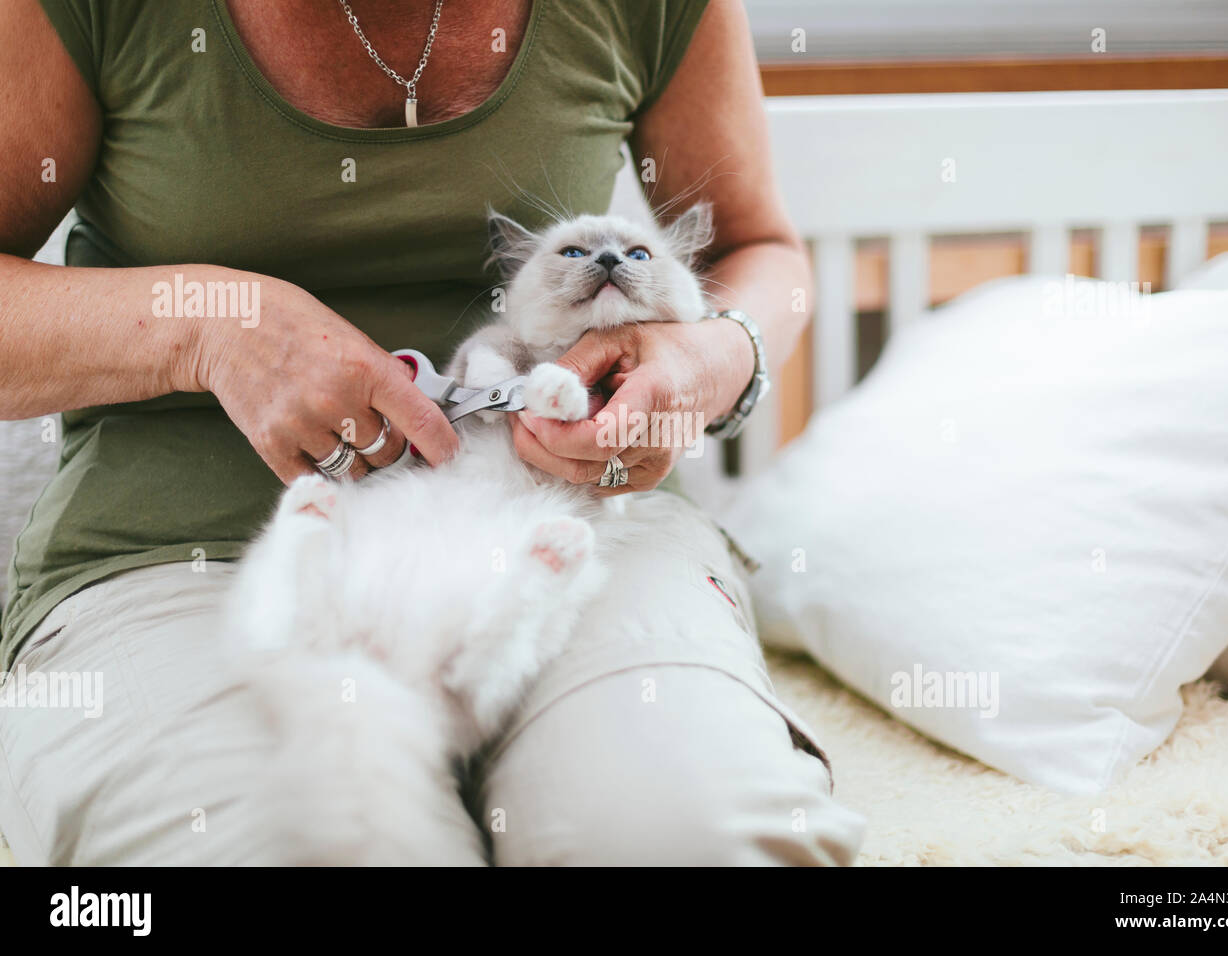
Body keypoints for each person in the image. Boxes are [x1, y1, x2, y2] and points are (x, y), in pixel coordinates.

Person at [0, 0, 866, 864]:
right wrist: (211, 329)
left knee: (688, 840)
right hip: (187, 553)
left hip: (580, 523)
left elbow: (762, 252)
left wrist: (714, 361)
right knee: (304, 844)